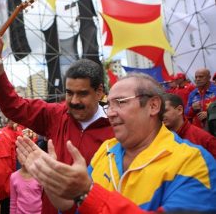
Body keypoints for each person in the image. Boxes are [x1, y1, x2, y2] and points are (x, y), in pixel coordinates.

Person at [16, 73, 216, 213]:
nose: (110, 112)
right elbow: (73, 208)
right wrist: (51, 180)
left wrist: (87, 192)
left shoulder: (193, 162)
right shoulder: (106, 151)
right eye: (109, 104)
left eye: (120, 102)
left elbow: (88, 198)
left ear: (153, 105)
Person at [0, 32, 114, 214]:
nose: (74, 101)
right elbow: (14, 106)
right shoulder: (56, 114)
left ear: (99, 92)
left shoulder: (116, 127)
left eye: (82, 93)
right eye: (69, 93)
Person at [162, 93, 216, 158]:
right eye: (159, 112)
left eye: (165, 111)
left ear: (179, 110)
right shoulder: (157, 138)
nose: (161, 115)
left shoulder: (204, 139)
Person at [10, 133, 43, 214]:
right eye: (21, 155)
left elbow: (44, 199)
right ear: (17, 156)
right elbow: (13, 202)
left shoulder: (39, 175)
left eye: (28, 154)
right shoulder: (13, 177)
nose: (25, 158)